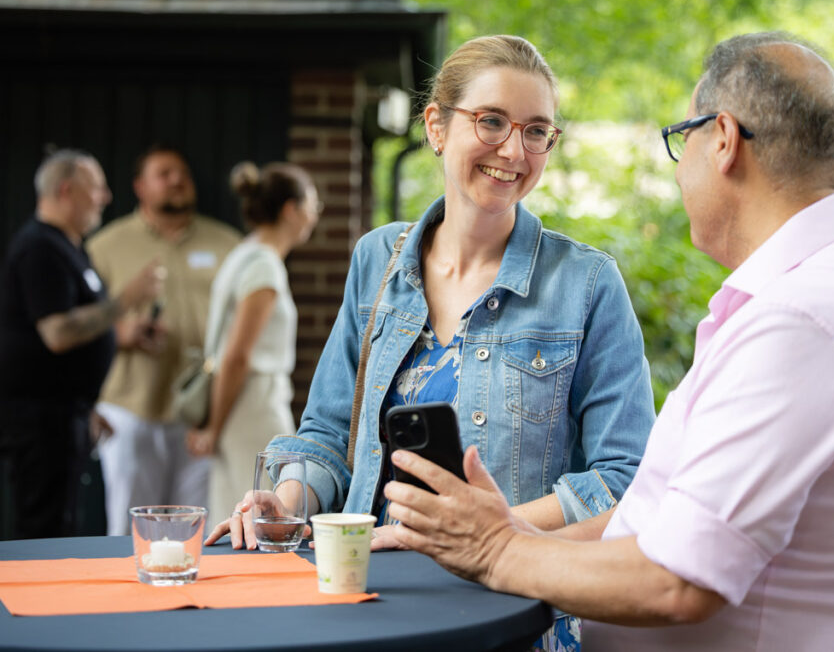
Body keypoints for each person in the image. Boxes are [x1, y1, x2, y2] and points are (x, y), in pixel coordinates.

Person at [381, 32, 834, 651]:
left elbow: (678, 579)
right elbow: (663, 522)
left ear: (724, 140)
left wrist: (495, 549)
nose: (680, 167)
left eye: (682, 139)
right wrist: (509, 538)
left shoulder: (803, 323)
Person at [206, 35, 656, 651]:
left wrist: (487, 531)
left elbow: (627, 479)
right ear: (436, 127)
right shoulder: (378, 261)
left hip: (511, 616)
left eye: (536, 131)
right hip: (368, 603)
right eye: (491, 121)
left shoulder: (587, 284)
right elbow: (329, 435)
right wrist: (286, 503)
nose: (514, 151)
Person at [0, 149, 163, 538]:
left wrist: (85, 406)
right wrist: (125, 300)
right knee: (43, 531)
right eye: (96, 188)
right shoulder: (40, 248)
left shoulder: (67, 247)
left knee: (62, 523)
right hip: (40, 422)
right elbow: (57, 333)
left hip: (64, 415)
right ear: (66, 190)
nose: (105, 197)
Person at [87, 145, 240, 535]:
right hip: (129, 407)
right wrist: (120, 333)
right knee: (130, 531)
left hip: (203, 412)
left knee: (197, 531)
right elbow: (77, 326)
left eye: (182, 173)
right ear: (140, 186)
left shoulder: (227, 244)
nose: (177, 180)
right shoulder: (105, 246)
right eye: (164, 174)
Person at [186, 161, 321, 523]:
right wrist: (213, 429)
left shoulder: (242, 253)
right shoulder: (264, 265)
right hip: (253, 408)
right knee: (267, 517)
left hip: (236, 406)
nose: (315, 216)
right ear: (291, 210)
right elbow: (237, 355)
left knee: (238, 513)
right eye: (313, 205)